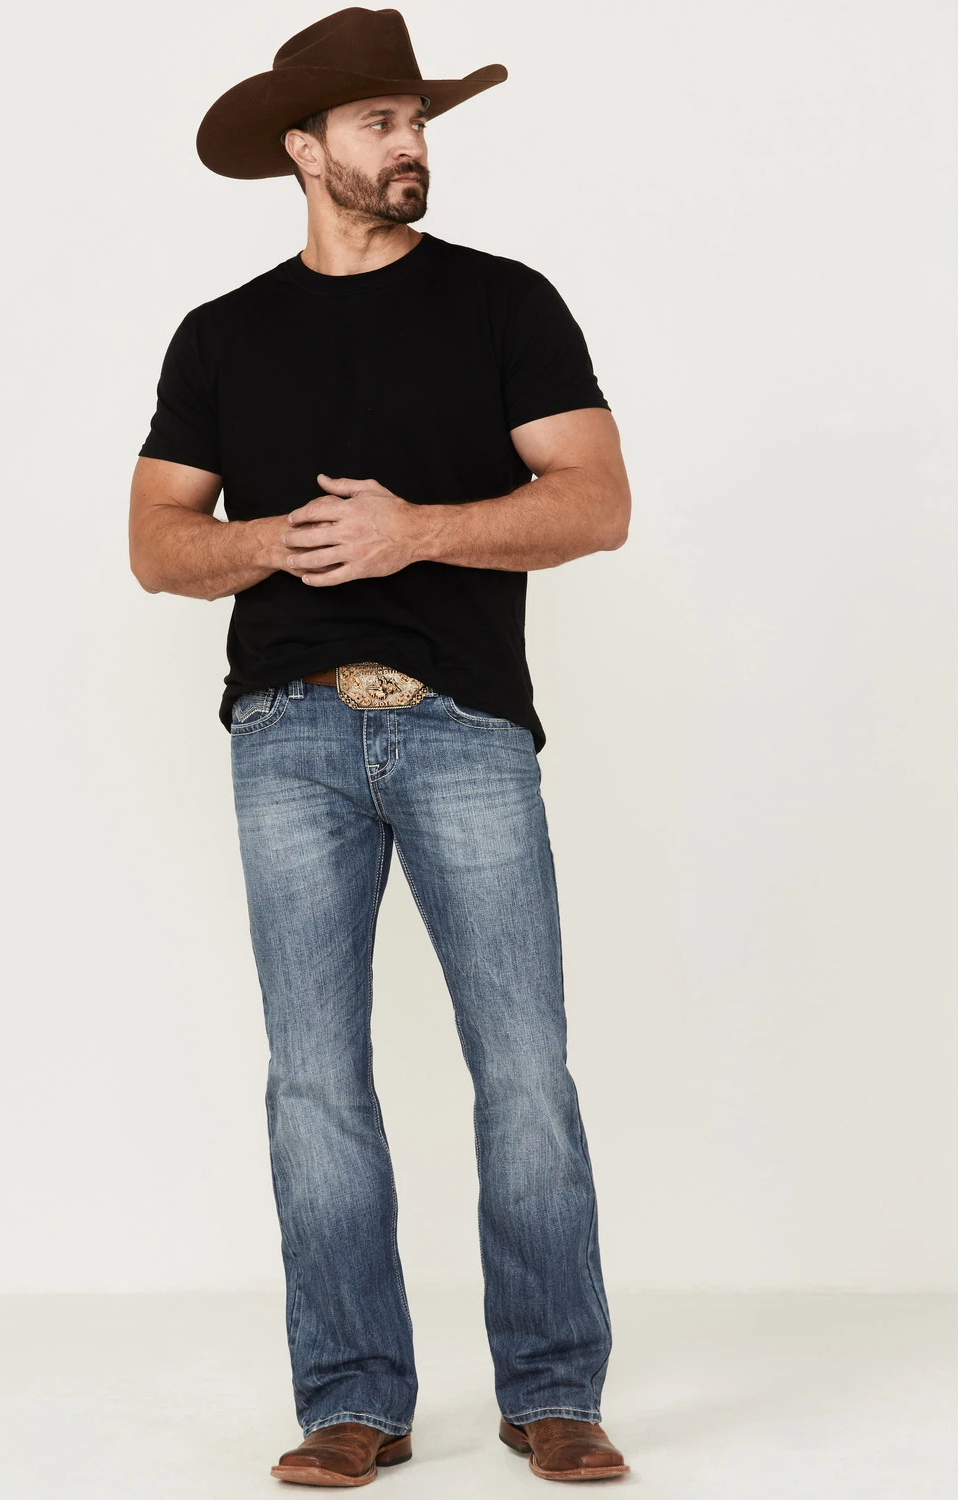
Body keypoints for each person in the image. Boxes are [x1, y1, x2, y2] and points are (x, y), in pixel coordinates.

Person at [129, 7, 633, 1487]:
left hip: (464, 724)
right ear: (306, 149)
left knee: (524, 1068)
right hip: (285, 734)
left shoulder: (504, 304)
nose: (411, 145)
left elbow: (595, 502)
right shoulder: (223, 334)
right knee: (314, 1081)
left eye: (418, 122)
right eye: (380, 123)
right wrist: (272, 543)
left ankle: (554, 1392)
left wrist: (418, 530)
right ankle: (352, 1400)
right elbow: (157, 544)